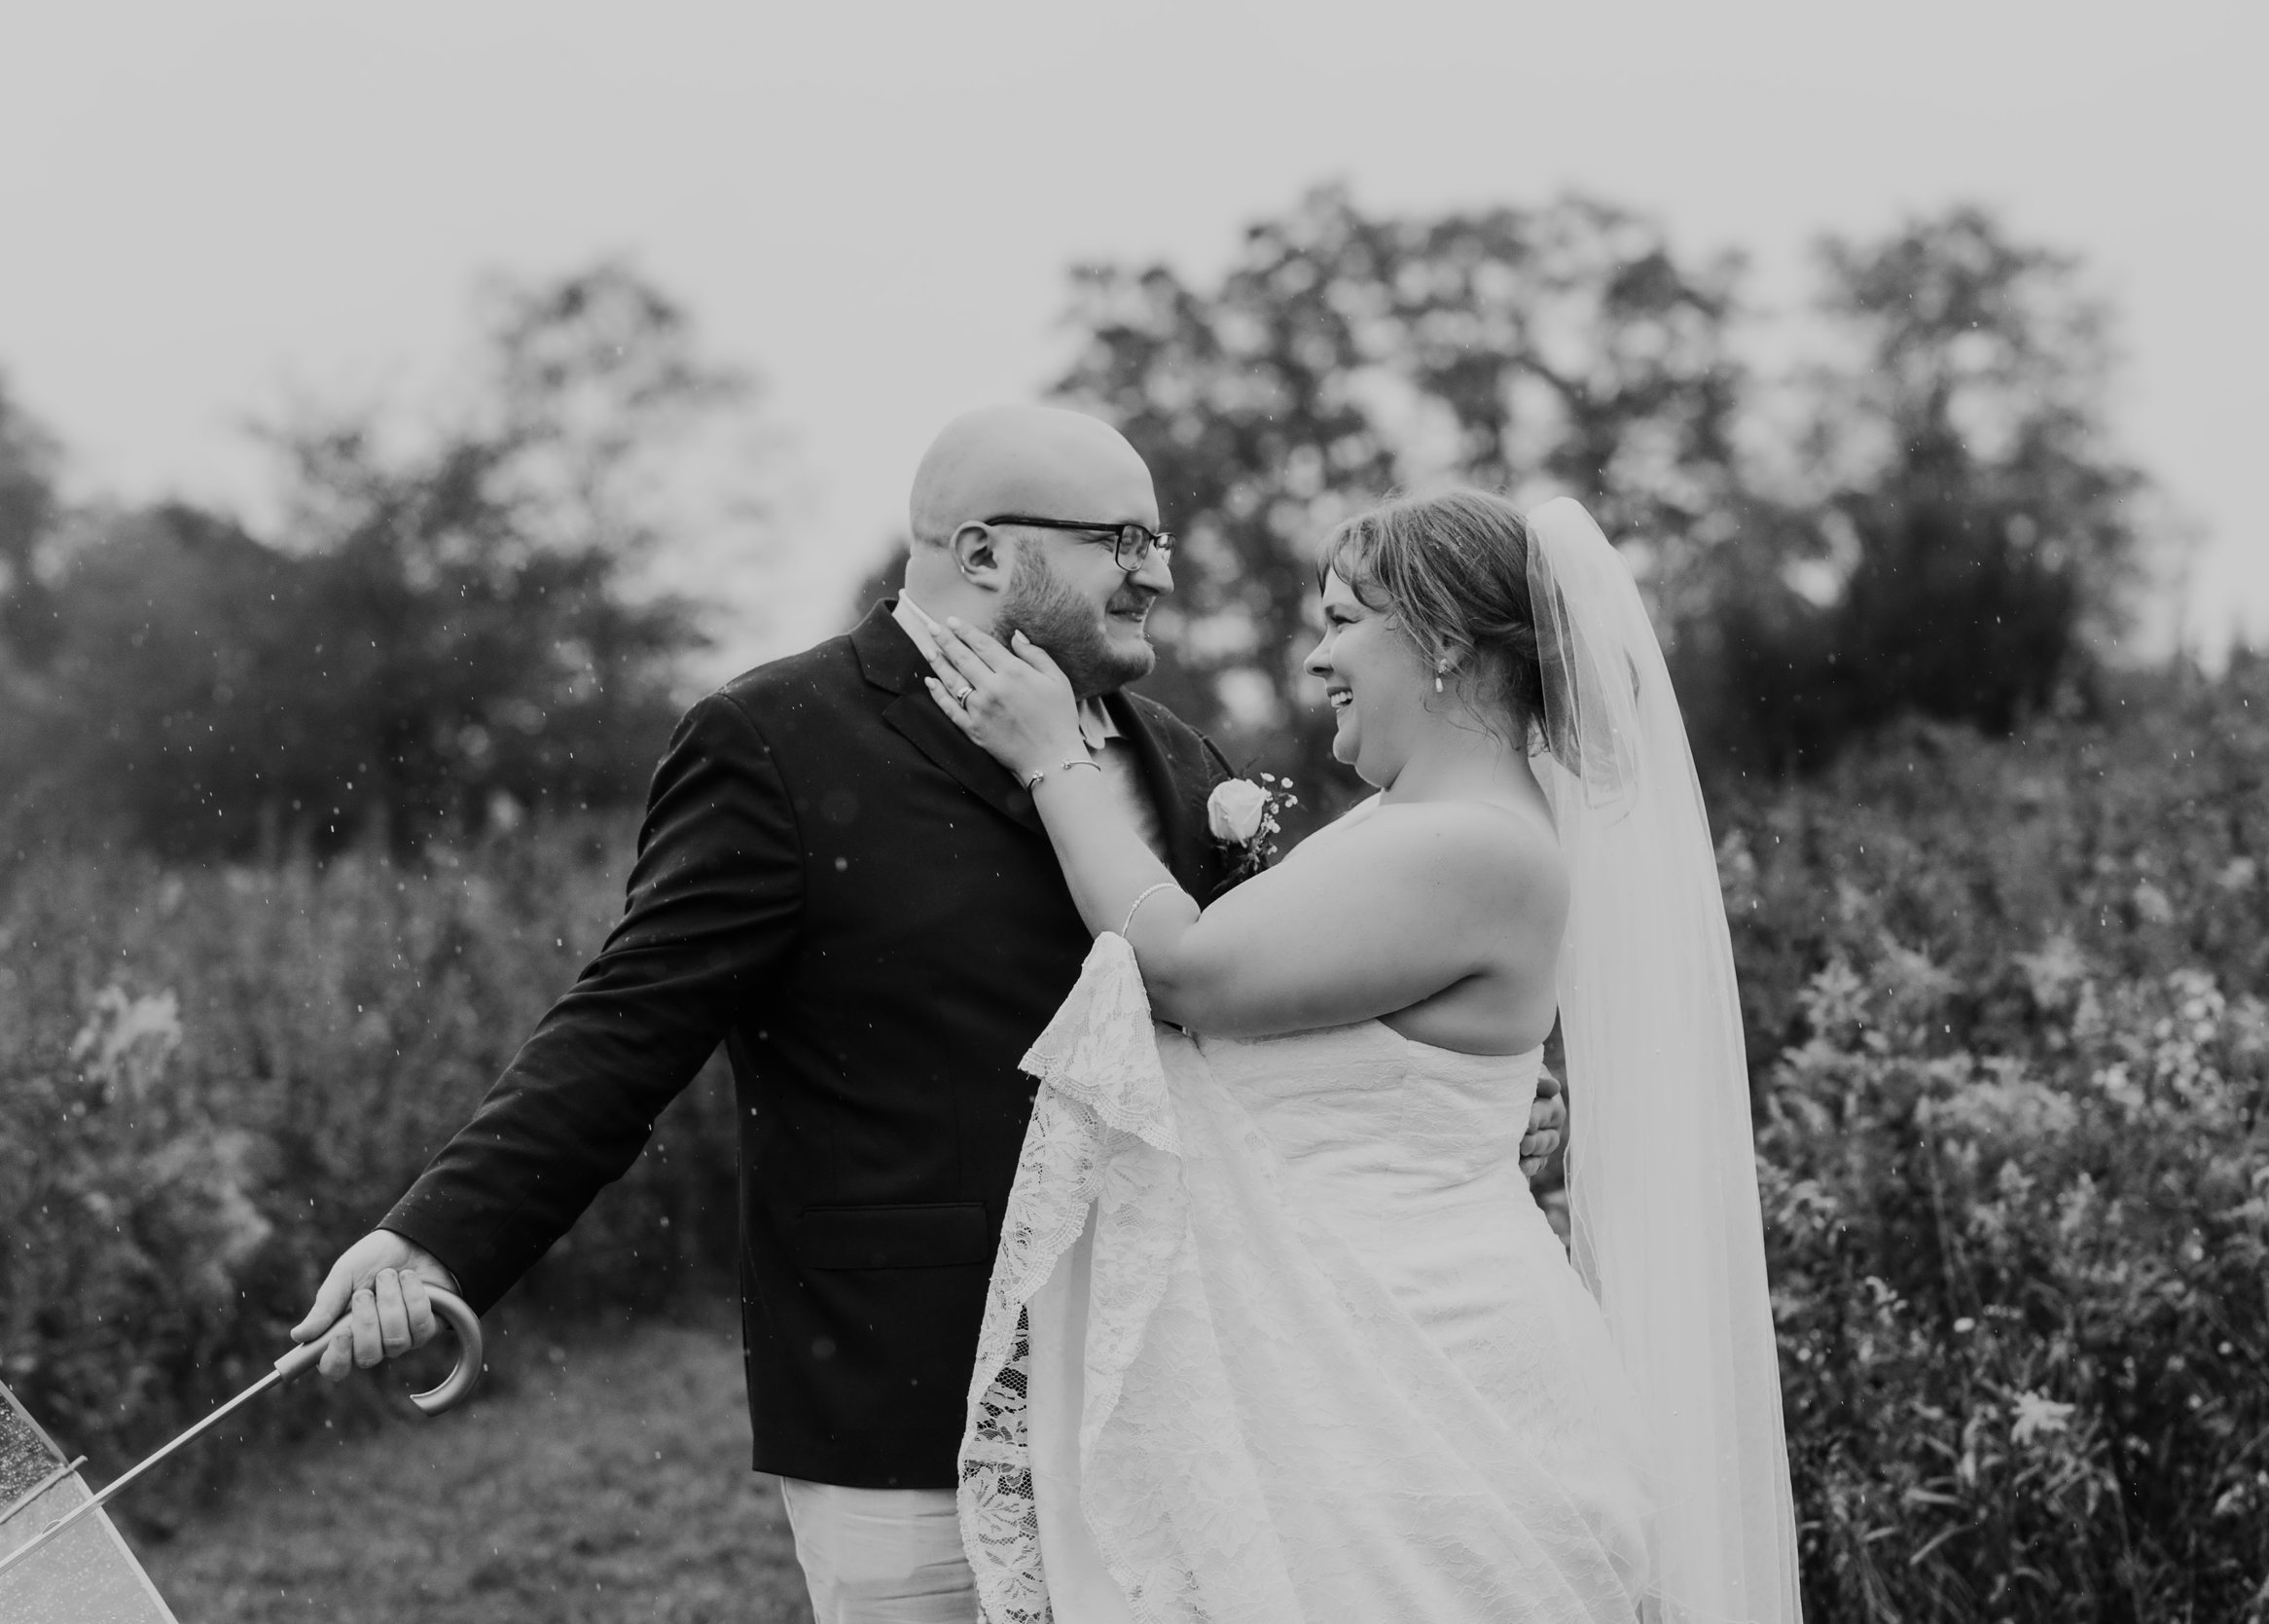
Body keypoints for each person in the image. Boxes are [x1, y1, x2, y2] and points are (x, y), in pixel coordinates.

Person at [289, 406, 1566, 1623]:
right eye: (1122, 540)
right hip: (908, 1404)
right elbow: (628, 1025)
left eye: (1159, 541)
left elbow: (1266, 1016)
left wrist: (1454, 1105)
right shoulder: (781, 739)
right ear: (984, 551)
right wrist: (437, 1240)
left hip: (1181, 1408)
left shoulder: (1182, 761)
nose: (1160, 574)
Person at [922, 488, 1803, 1622]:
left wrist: (1054, 760)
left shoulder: (1469, 842)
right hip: (1356, 1373)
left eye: (1343, 620)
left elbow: (1187, 972)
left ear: (1440, 639)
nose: (1316, 658)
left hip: (1422, 1395)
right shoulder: (1427, 825)